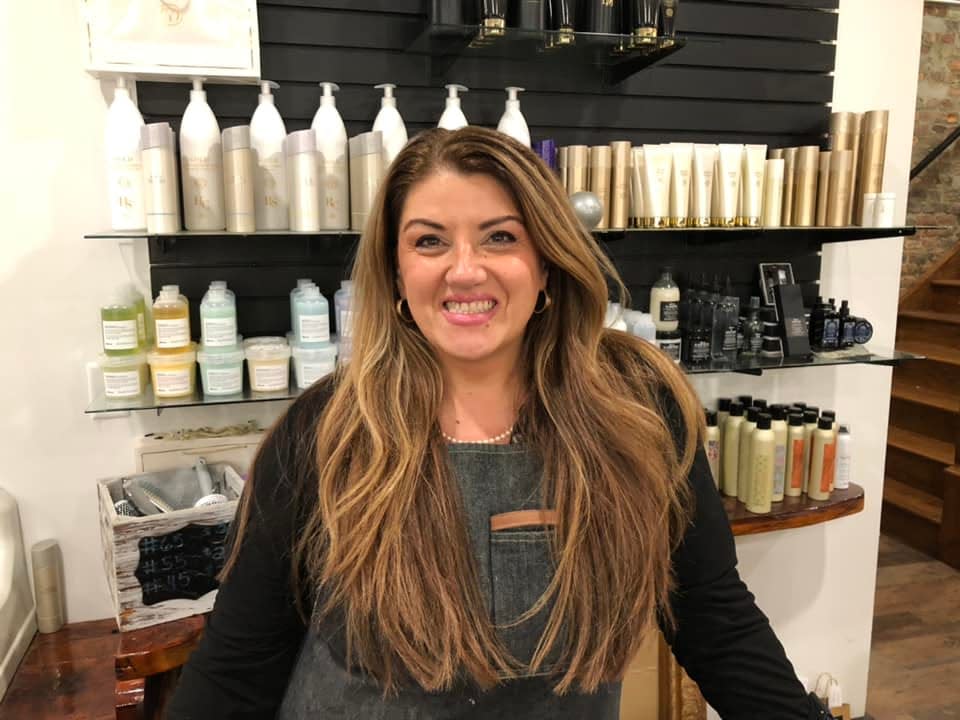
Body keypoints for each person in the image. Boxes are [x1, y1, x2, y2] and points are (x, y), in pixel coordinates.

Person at [168, 127, 830, 719]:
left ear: (545, 263)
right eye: (429, 241)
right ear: (397, 274)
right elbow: (236, 671)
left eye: (501, 237)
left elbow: (714, 617)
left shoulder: (640, 410)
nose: (464, 270)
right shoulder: (324, 432)